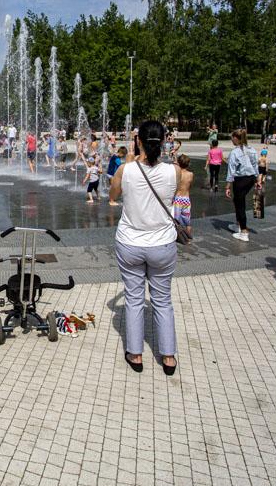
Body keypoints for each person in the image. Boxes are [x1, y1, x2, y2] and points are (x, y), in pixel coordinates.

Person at [109, 120, 180, 375]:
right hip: (162, 243)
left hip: (130, 242)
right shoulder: (174, 172)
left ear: (138, 141)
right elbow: (179, 203)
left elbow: (113, 196)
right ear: (163, 143)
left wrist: (130, 160)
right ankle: (168, 356)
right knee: (162, 300)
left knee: (134, 299)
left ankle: (135, 353)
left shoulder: (125, 170)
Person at [225, 129, 261, 242]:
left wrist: (227, 186)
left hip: (240, 180)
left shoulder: (234, 153)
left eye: (232, 137)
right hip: (250, 179)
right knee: (238, 201)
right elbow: (256, 165)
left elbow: (231, 170)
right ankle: (238, 225)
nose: (231, 139)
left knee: (240, 204)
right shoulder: (252, 150)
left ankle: (244, 232)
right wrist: (257, 180)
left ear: (237, 138)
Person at [174, 154, 193, 239]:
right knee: (187, 221)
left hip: (178, 199)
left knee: (175, 220)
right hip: (186, 199)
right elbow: (190, 185)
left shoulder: (177, 173)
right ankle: (188, 238)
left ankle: (176, 237)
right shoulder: (190, 174)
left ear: (178, 163)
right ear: (188, 164)